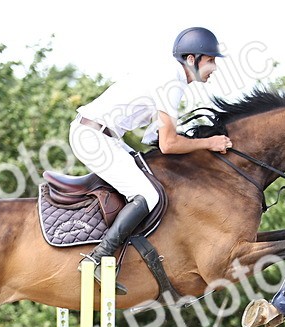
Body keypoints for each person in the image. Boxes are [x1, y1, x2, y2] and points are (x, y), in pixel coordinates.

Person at [70, 26, 233, 292]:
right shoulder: (172, 83)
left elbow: (154, 139)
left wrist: (195, 139)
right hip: (93, 138)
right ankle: (98, 258)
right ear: (192, 60)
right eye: (211, 60)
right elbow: (168, 145)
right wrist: (209, 143)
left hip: (104, 136)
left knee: (152, 182)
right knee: (149, 195)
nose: (214, 68)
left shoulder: (170, 78)